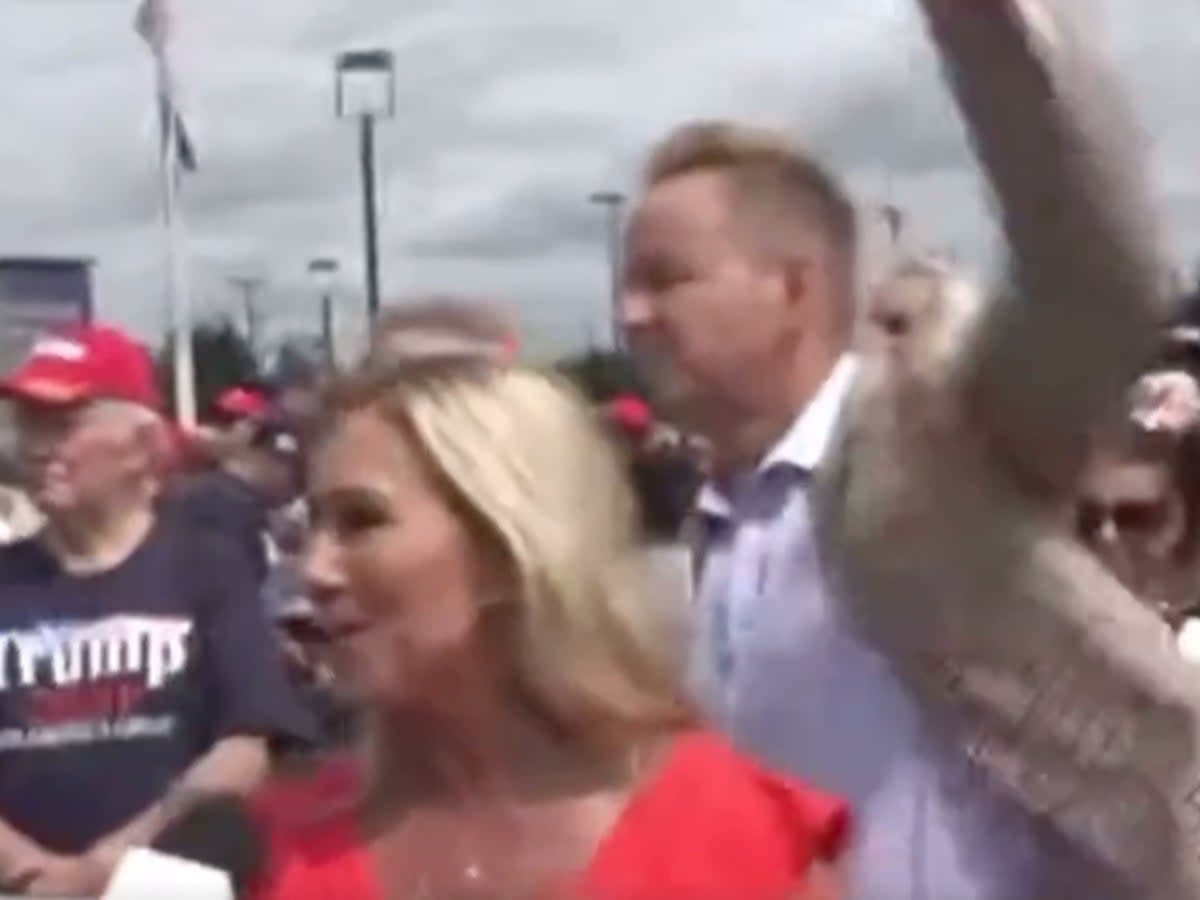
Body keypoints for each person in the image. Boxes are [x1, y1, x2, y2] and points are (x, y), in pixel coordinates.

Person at [622, 0, 1197, 895]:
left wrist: (989, 31)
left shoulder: (941, 437)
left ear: (793, 287)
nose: (632, 317)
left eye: (667, 280)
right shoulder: (709, 535)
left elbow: (1097, 274)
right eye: (627, 286)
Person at [250, 317, 849, 899]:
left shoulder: (738, 835)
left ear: (504, 540)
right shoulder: (275, 848)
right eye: (313, 526)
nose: (315, 571)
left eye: (361, 521)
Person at [0, 324, 311, 896]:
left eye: (64, 425)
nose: (36, 445)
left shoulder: (206, 566)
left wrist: (111, 866)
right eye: (26, 423)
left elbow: (247, 743)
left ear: (143, 446)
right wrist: (27, 869)